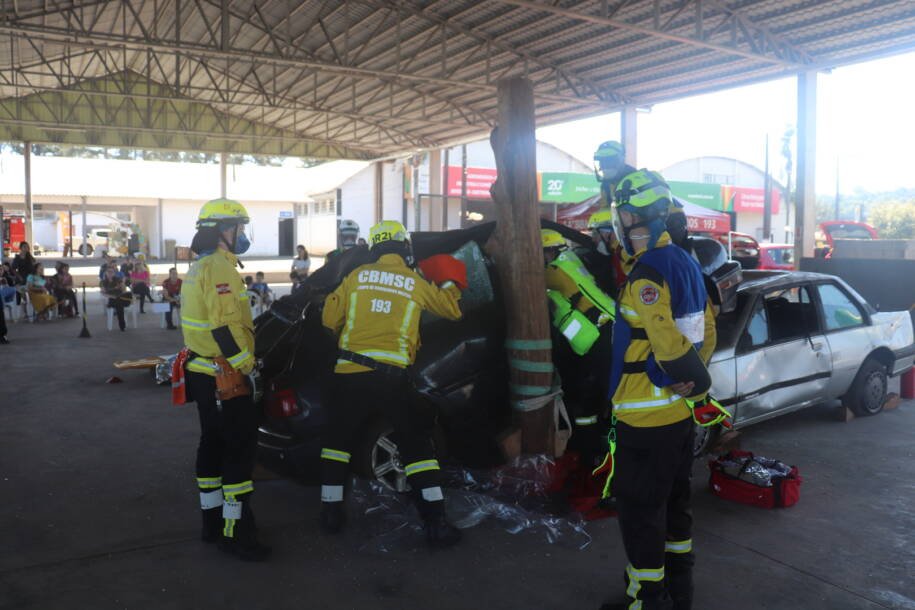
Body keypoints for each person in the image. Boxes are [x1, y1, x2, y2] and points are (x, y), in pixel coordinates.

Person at [599, 170, 717, 610]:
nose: (620, 224)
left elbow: (667, 343)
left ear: (637, 218)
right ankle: (679, 592)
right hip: (679, 418)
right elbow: (706, 328)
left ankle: (646, 600)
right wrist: (696, 381)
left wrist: (681, 374)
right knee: (675, 507)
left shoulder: (646, 275)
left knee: (640, 515)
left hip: (644, 420)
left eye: (624, 215)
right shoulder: (686, 262)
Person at [319, 219, 467, 548]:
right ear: (404, 247)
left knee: (337, 445)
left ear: (374, 248)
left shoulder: (356, 277)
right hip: (392, 378)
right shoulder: (413, 281)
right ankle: (435, 523)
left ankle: (330, 515)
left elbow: (329, 319)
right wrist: (449, 281)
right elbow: (452, 311)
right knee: (417, 447)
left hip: (350, 373)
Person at [178, 198, 270, 561]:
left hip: (203, 374)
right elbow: (223, 327)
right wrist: (248, 368)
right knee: (238, 456)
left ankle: (211, 524)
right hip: (225, 377)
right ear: (223, 231)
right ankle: (236, 533)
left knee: (212, 448)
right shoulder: (218, 267)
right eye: (239, 228)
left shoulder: (200, 265)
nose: (242, 234)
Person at [541, 228, 616, 472]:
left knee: (588, 405)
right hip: (603, 334)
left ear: (549, 252)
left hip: (600, 340)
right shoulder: (570, 260)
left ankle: (590, 461)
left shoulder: (556, 270)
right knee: (594, 400)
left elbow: (528, 278)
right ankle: (593, 455)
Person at [594, 141, 637, 207]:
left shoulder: (636, 179)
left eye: (610, 160)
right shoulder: (605, 184)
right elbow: (605, 209)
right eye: (602, 160)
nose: (605, 165)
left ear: (622, 159)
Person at [100, 265, 132, 331]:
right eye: (108, 272)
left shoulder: (118, 279)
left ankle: (122, 326)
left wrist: (121, 286)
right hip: (111, 299)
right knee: (119, 304)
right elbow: (103, 293)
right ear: (106, 273)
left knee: (121, 301)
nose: (110, 273)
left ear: (114, 273)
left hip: (120, 297)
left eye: (111, 272)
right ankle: (122, 326)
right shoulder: (103, 282)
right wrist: (112, 295)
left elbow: (124, 290)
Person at [12, 242, 35, 306]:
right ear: (20, 248)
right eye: (24, 247)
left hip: (29, 279)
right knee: (20, 295)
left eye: (27, 247)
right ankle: (20, 308)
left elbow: (33, 267)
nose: (26, 248)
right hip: (21, 279)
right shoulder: (17, 258)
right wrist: (19, 277)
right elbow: (13, 269)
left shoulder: (29, 257)